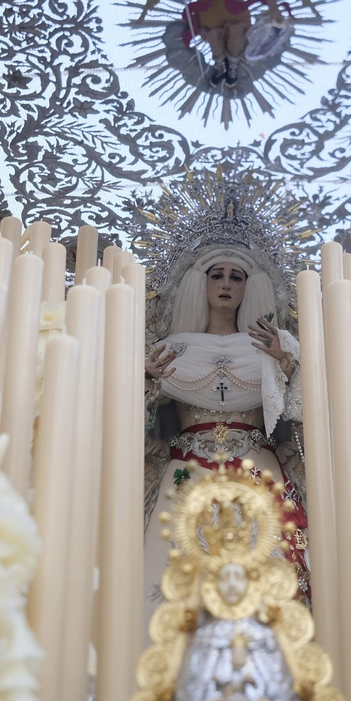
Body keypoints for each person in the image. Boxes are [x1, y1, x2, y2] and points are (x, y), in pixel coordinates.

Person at [143, 245, 309, 605]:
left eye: (237, 277)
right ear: (201, 284)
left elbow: (303, 405)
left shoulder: (269, 348)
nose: (226, 284)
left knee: (265, 558)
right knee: (178, 560)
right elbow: (143, 415)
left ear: (248, 287)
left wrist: (284, 362)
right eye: (217, 275)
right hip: (187, 468)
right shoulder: (176, 349)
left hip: (255, 467)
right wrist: (148, 379)